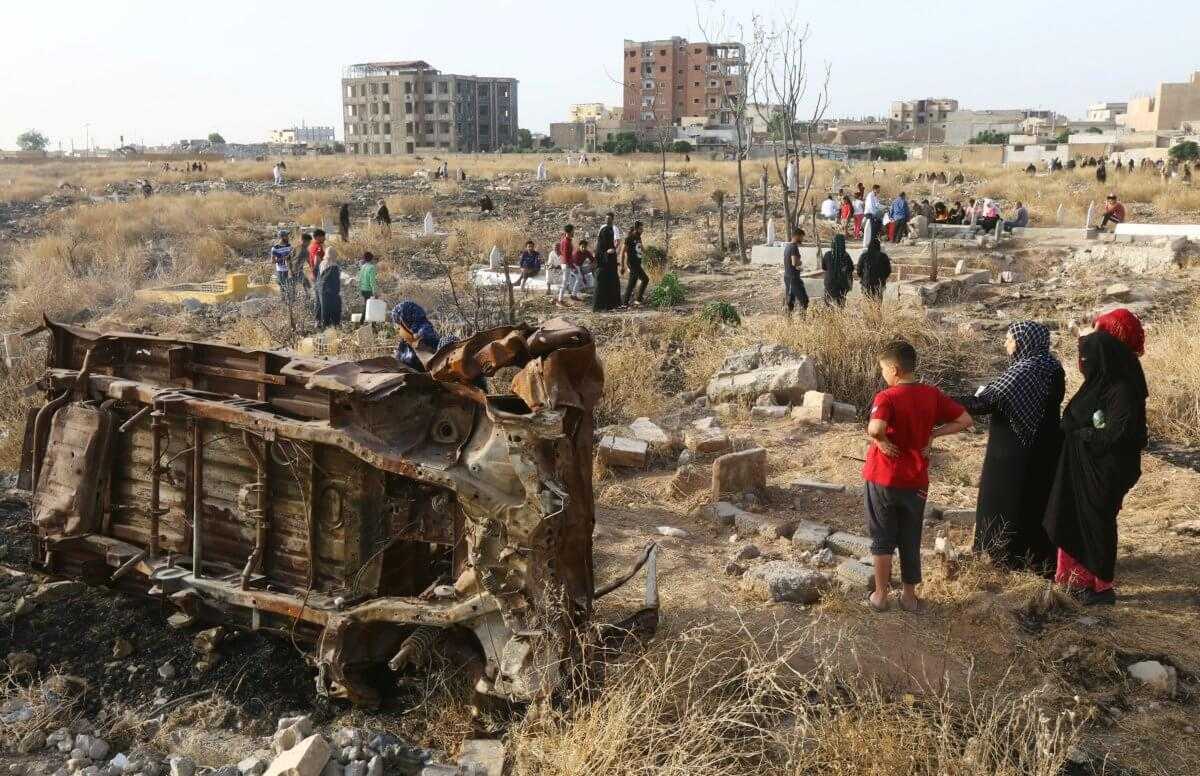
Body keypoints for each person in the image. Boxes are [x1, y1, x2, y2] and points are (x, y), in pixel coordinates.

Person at [863, 340, 974, 612]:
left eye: (883, 369)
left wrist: (880, 441)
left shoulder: (886, 397)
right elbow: (965, 420)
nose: (883, 375)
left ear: (894, 369)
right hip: (916, 480)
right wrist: (933, 434)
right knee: (910, 537)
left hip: (884, 477)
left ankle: (881, 595)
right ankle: (909, 597)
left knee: (882, 537)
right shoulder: (932, 394)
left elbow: (875, 428)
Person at [1043, 323, 1148, 606]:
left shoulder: (1122, 390)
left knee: (1096, 523)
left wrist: (1084, 434)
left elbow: (1120, 433)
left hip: (1106, 470)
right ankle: (1076, 581)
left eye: (1087, 357)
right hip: (1082, 466)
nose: (1083, 363)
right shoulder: (1098, 384)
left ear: (1103, 358)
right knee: (1075, 519)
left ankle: (1101, 587)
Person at [955, 323, 1064, 574]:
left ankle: (1002, 558)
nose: (1005, 343)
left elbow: (983, 403)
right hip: (1044, 449)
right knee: (1035, 502)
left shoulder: (1024, 370)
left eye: (1009, 339)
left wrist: (939, 400)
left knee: (1003, 503)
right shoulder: (1051, 366)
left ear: (1023, 342)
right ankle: (1036, 560)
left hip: (1012, 454)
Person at [391, 301, 440, 371]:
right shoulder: (424, 330)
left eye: (399, 327)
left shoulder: (423, 336)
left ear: (404, 321)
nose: (399, 331)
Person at [592, 213, 622, 311]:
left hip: (609, 261)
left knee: (611, 283)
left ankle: (610, 305)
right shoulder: (603, 229)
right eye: (606, 218)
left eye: (609, 218)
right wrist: (605, 253)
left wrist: (613, 251)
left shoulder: (614, 229)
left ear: (612, 219)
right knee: (601, 284)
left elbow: (616, 242)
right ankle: (600, 307)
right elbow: (599, 246)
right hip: (603, 262)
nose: (607, 220)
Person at [316, 238, 342, 328]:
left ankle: (322, 325)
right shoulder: (333, 266)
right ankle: (332, 327)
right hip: (330, 292)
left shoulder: (322, 263)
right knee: (333, 309)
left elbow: (320, 278)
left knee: (323, 309)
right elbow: (335, 281)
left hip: (320, 289)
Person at [821, 234, 854, 306]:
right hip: (842, 286)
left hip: (829, 284)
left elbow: (824, 267)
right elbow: (851, 269)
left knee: (828, 305)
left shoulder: (827, 255)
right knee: (840, 305)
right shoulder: (846, 256)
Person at [621, 220, 648, 306]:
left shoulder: (638, 238)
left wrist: (649, 254)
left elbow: (641, 248)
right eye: (640, 229)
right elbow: (622, 252)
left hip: (637, 263)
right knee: (640, 280)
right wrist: (622, 266)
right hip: (632, 263)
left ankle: (633, 300)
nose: (642, 230)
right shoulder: (629, 238)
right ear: (636, 229)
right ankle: (628, 302)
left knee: (637, 281)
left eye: (642, 229)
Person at [783, 227, 809, 315]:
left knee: (790, 300)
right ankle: (803, 319)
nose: (802, 239)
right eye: (801, 237)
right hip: (793, 278)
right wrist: (800, 263)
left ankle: (788, 319)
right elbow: (794, 263)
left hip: (787, 276)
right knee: (804, 300)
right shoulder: (794, 247)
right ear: (797, 236)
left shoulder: (788, 246)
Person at [555, 224, 581, 305]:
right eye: (573, 231)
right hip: (566, 264)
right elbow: (566, 257)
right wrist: (573, 267)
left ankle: (573, 295)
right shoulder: (566, 242)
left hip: (567, 263)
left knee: (578, 278)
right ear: (569, 232)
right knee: (565, 282)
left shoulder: (566, 240)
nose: (574, 232)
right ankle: (560, 300)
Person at [309, 229, 327, 324]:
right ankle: (321, 321)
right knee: (321, 299)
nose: (324, 238)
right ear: (318, 237)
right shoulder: (318, 247)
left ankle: (318, 321)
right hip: (319, 276)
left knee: (318, 299)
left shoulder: (312, 246)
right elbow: (317, 261)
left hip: (315, 275)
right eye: (323, 236)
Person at [270, 229, 294, 301]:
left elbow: (292, 257)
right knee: (283, 287)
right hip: (281, 270)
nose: (288, 237)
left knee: (291, 287)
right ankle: (284, 301)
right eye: (286, 236)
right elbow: (273, 261)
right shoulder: (275, 248)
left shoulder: (289, 246)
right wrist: (283, 259)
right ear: (282, 237)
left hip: (290, 270)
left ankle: (290, 301)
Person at [292, 232, 313, 300]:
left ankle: (293, 299)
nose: (309, 244)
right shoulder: (304, 251)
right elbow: (309, 262)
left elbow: (289, 258)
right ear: (305, 241)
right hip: (296, 271)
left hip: (293, 270)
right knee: (307, 284)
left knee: (294, 286)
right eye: (309, 242)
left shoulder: (296, 247)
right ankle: (307, 298)